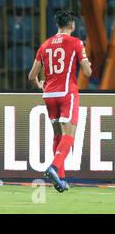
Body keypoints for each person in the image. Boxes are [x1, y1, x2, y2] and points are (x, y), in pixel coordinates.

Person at [28, 10, 92, 193]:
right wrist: (88, 65)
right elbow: (87, 73)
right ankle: (54, 168)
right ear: (72, 25)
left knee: (57, 135)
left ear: (57, 25)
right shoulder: (76, 43)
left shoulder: (45, 45)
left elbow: (32, 75)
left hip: (48, 95)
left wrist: (40, 85)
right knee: (69, 135)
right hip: (67, 92)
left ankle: (61, 179)